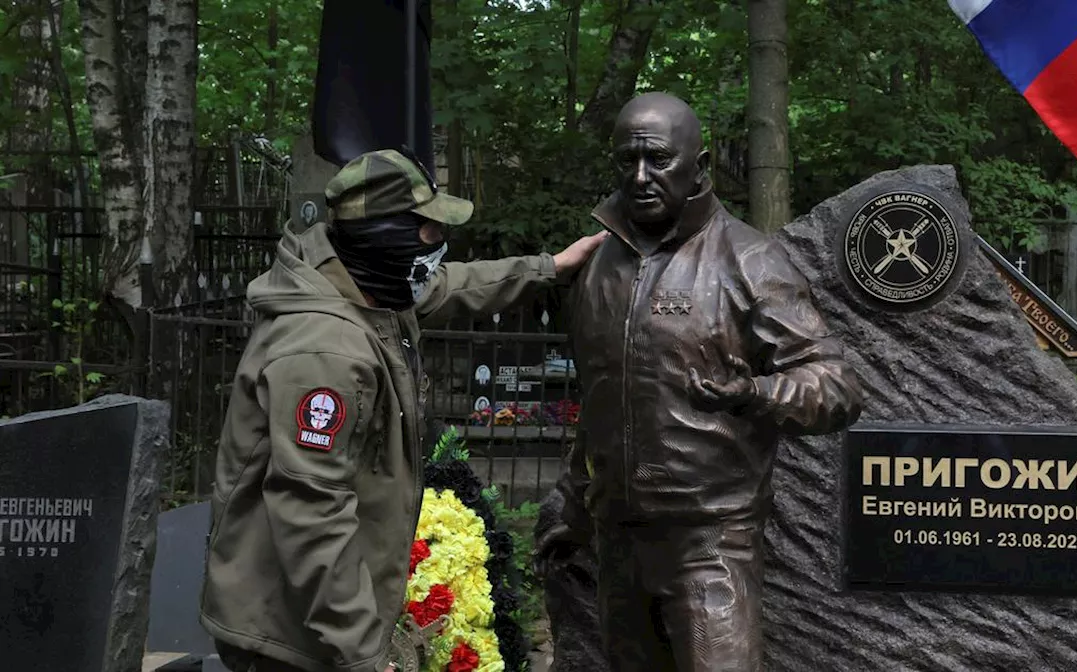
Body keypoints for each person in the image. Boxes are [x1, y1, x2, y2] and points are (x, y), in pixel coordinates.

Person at [199, 148, 607, 672]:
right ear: (385, 235)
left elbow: (449, 286)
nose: (440, 244)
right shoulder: (326, 354)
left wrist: (549, 268)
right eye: (430, 231)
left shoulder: (361, 284)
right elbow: (310, 511)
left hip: (308, 620)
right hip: (285, 637)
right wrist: (361, 652)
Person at [536, 92, 863, 672]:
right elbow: (602, 401)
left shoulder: (750, 260)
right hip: (617, 540)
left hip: (711, 543)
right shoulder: (597, 267)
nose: (639, 177)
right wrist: (574, 506)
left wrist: (758, 394)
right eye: (626, 161)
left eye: (658, 160)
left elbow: (837, 387)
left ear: (699, 166)